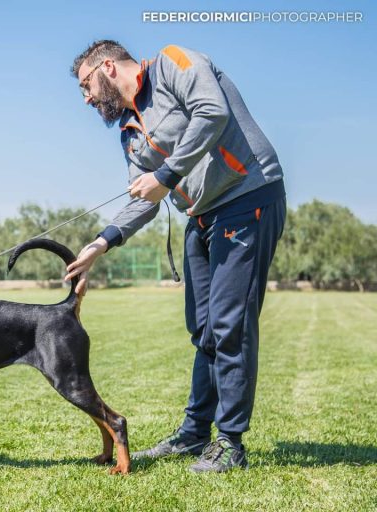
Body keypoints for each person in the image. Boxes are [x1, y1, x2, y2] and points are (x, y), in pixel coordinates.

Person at [65, 41, 286, 472]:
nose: (87, 97)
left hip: (247, 195)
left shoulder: (173, 64)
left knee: (230, 326)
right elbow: (143, 197)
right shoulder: (129, 130)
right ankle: (194, 433)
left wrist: (165, 175)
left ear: (107, 66)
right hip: (202, 215)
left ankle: (230, 443)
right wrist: (100, 243)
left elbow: (212, 112)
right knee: (203, 331)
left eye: (86, 85)